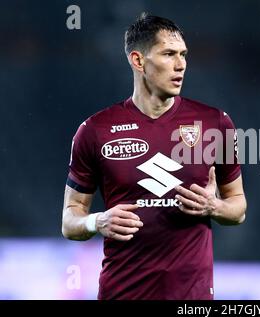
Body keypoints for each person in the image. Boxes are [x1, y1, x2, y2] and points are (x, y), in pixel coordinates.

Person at [61, 12, 247, 300]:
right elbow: (69, 220)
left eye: (183, 54)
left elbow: (238, 207)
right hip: (122, 292)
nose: (181, 64)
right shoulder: (95, 130)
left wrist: (214, 207)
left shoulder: (214, 123)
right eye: (169, 54)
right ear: (138, 61)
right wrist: (97, 222)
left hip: (191, 297)